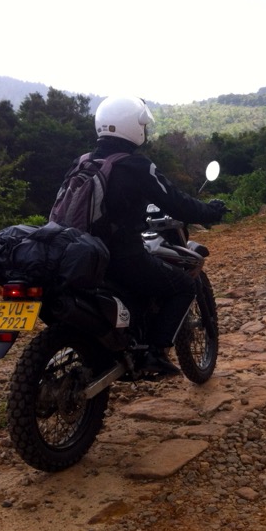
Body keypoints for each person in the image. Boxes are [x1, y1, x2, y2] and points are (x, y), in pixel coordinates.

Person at [86, 95, 226, 375]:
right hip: (121, 256)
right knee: (183, 286)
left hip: (84, 255)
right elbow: (176, 202)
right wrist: (211, 212)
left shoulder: (85, 162)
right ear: (133, 127)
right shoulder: (135, 166)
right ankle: (154, 353)